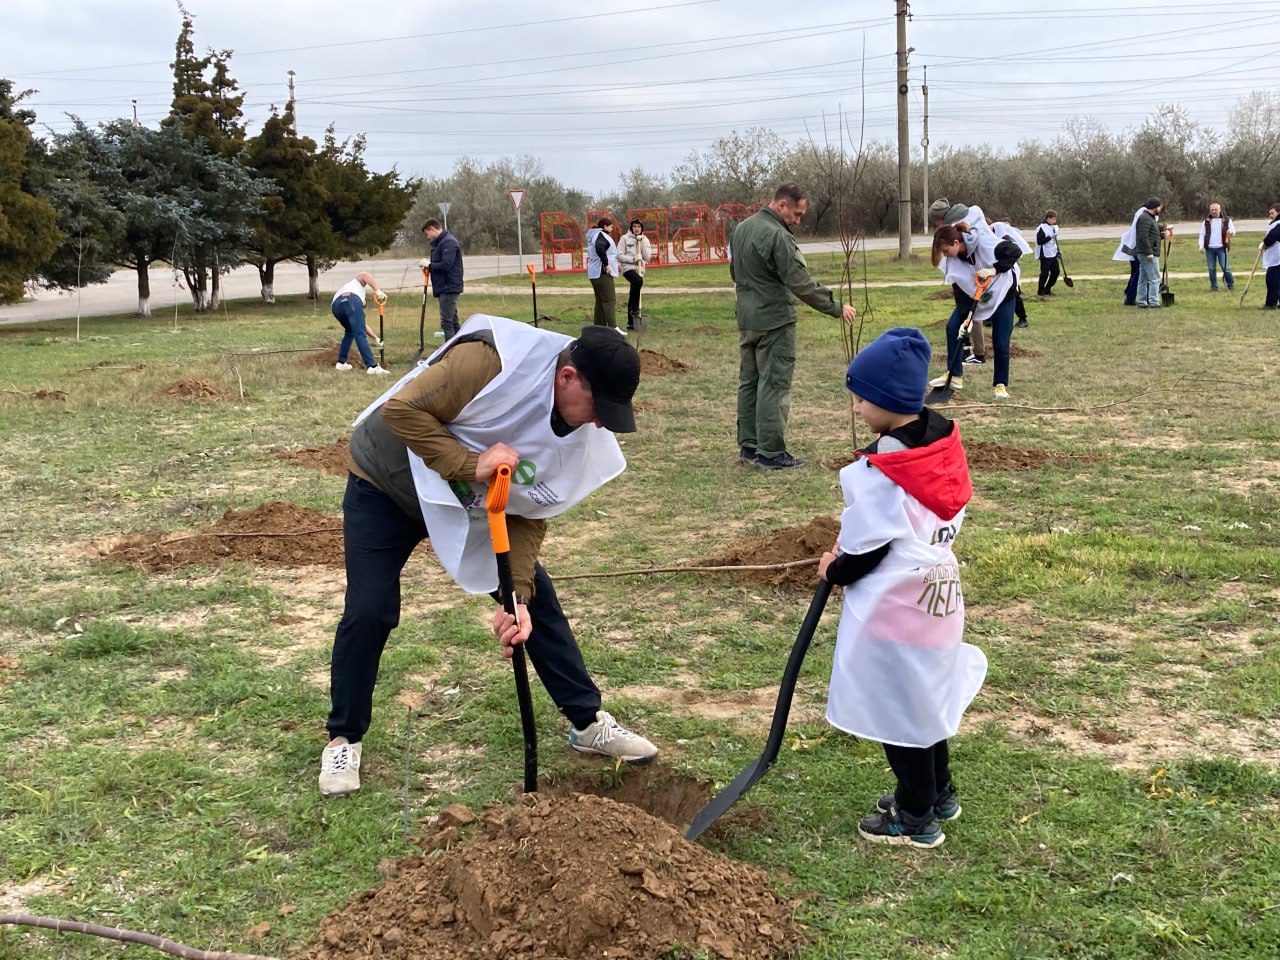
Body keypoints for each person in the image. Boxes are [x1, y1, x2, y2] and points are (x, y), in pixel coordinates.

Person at [318, 317, 659, 797]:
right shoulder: (493, 361)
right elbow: (402, 410)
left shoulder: (581, 426)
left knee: (534, 600)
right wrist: (466, 464)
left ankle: (587, 723)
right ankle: (343, 737)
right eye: (599, 406)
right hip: (389, 482)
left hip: (470, 500)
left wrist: (515, 595)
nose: (602, 421)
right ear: (567, 378)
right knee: (370, 609)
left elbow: (532, 507)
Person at [820, 327, 985, 848]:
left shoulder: (886, 472)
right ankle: (939, 792)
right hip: (938, 598)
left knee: (899, 711)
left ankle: (915, 817)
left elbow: (866, 548)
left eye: (862, 398)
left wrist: (834, 569)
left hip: (897, 609)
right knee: (926, 698)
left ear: (888, 402)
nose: (857, 406)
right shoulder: (940, 447)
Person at [731, 182, 857, 470]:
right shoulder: (778, 235)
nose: (797, 221)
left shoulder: (742, 229)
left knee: (749, 382)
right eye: (796, 215)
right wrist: (835, 307)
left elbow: (735, 272)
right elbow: (799, 281)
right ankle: (771, 452)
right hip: (775, 321)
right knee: (773, 384)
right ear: (781, 205)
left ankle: (749, 446)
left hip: (747, 320)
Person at [929, 222, 1022, 399]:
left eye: (946, 250)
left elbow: (1014, 252)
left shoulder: (985, 243)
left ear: (956, 243)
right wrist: (966, 318)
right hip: (976, 296)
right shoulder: (953, 260)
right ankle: (955, 375)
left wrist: (993, 270)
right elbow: (959, 288)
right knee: (953, 328)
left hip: (1003, 293)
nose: (945, 255)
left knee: (1000, 342)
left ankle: (1000, 385)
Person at [330, 272, 390, 375]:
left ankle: (341, 363)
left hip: (336, 306)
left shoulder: (348, 288)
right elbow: (364, 275)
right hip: (350, 299)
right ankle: (372, 366)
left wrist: (376, 338)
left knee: (350, 331)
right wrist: (378, 291)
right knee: (359, 334)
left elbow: (362, 326)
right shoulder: (358, 290)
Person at [422, 218, 464, 340]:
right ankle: (461, 347)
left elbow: (446, 265)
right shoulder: (440, 243)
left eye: (427, 233)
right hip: (444, 287)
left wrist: (429, 265)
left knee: (447, 322)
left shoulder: (448, 243)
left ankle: (450, 351)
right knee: (453, 322)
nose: (427, 237)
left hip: (448, 286)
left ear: (432, 229)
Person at [991, 217, 1031, 329]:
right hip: (998, 271)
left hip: (1009, 271)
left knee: (1014, 294)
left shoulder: (1004, 238)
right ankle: (989, 319)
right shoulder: (989, 238)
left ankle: (1022, 318)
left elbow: (1015, 253)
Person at [617, 219, 653, 331]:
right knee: (638, 282)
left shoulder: (645, 240)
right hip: (628, 268)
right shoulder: (624, 238)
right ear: (631, 228)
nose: (636, 228)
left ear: (642, 228)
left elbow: (647, 257)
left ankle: (631, 322)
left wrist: (641, 244)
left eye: (638, 226)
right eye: (634, 226)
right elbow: (619, 255)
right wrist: (633, 259)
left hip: (639, 269)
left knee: (633, 291)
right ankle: (635, 309)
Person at [586, 217, 619, 330]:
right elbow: (600, 247)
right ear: (604, 226)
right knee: (609, 300)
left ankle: (599, 327)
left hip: (594, 273)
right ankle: (613, 327)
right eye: (610, 226)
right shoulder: (600, 236)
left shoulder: (594, 235)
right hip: (602, 273)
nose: (611, 228)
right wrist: (606, 264)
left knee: (600, 302)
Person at [1197, 202, 1236, 293]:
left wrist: (1231, 232)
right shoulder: (1206, 222)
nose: (1214, 211)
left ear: (1220, 209)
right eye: (1212, 210)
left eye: (1215, 209)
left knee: (1225, 267)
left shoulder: (1226, 220)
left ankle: (1230, 285)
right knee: (1211, 268)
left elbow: (1233, 231)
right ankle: (1214, 286)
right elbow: (1202, 234)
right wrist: (1201, 245)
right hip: (1209, 248)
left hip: (1222, 247)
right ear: (1210, 211)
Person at [1134, 197, 1164, 309]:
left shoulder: (1150, 218)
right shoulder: (1145, 218)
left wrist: (1161, 236)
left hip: (1146, 252)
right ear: (1155, 207)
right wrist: (1149, 252)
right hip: (1147, 253)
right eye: (1159, 206)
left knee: (1143, 278)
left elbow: (1150, 235)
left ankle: (1142, 301)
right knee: (1155, 278)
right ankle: (1154, 301)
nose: (1160, 209)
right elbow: (1143, 236)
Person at [1113, 204, 1146, 306]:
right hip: (1136, 248)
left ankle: (1129, 293)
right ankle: (1130, 298)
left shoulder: (1140, 212)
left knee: (1135, 272)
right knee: (1137, 273)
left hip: (1133, 246)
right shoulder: (1143, 214)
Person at [1034, 211, 1060, 298]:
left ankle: (1047, 289)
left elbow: (1054, 241)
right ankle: (1040, 292)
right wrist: (1050, 237)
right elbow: (1039, 241)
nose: (1054, 221)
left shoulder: (1055, 227)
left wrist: (1057, 251)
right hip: (1045, 253)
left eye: (1055, 219)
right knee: (1044, 273)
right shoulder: (1041, 228)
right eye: (1053, 219)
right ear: (1048, 218)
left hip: (1053, 252)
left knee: (1056, 272)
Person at [1262, 203, 1280, 310]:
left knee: (1272, 281)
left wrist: (1265, 243)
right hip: (1275, 256)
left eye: (1272, 213)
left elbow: (1272, 236)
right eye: (1269, 213)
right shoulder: (1275, 223)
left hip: (1277, 257)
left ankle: (1271, 304)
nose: (1270, 215)